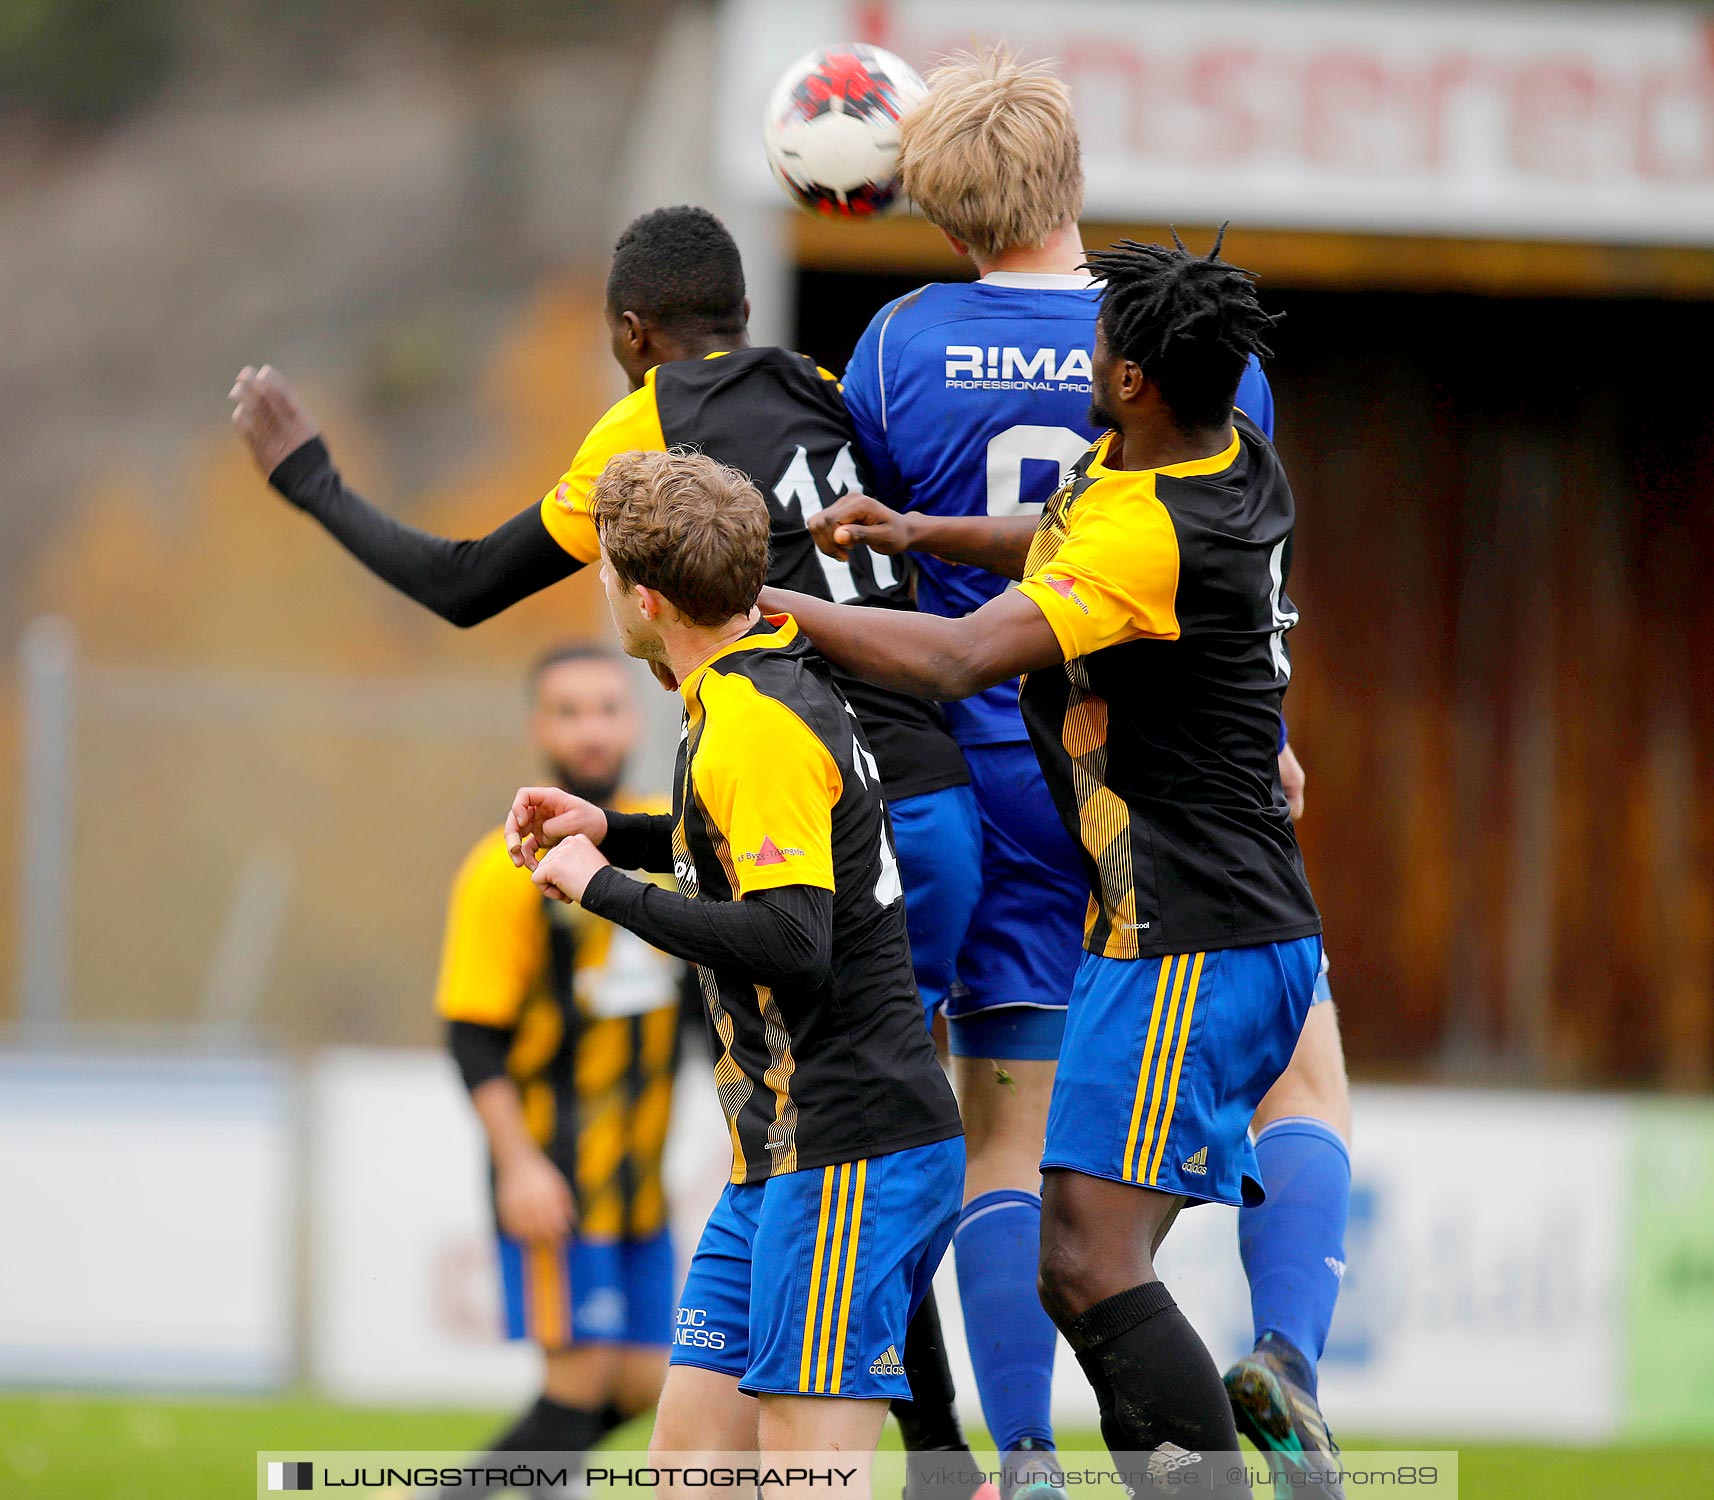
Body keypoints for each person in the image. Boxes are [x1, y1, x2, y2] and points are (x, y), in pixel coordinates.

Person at [228, 205, 981, 1470]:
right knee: (821, 1161)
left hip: (811, 794)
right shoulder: (819, 384)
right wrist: (625, 841)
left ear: (632, 335)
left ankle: (936, 1451)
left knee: (848, 1114)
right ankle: (939, 1436)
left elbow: (468, 581)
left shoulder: (654, 442)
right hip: (936, 794)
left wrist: (313, 486)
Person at [824, 48, 1349, 1485]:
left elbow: (952, 628)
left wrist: (818, 580)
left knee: (1014, 1147)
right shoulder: (1205, 360)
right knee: (1298, 1090)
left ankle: (1022, 1459)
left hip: (1008, 778)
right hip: (1207, 783)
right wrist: (1278, 734)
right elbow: (1237, 591)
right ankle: (1288, 1349)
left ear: (935, 206)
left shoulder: (900, 343)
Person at [504, 449, 964, 1496]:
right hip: (780, 1160)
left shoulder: (749, 726)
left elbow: (793, 936)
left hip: (850, 1151)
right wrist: (611, 834)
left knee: (806, 1475)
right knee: (693, 1465)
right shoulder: (755, 672)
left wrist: (597, 888)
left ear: (646, 595)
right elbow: (754, 846)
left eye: (605, 576)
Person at [435, 644, 686, 1495]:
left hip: (640, 1179)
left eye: (607, 708)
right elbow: (473, 1038)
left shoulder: (668, 835)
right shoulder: (499, 869)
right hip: (555, 1170)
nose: (592, 729)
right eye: (570, 711)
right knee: (576, 1392)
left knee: (648, 1385)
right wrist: (518, 1165)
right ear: (540, 727)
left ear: (633, 719)